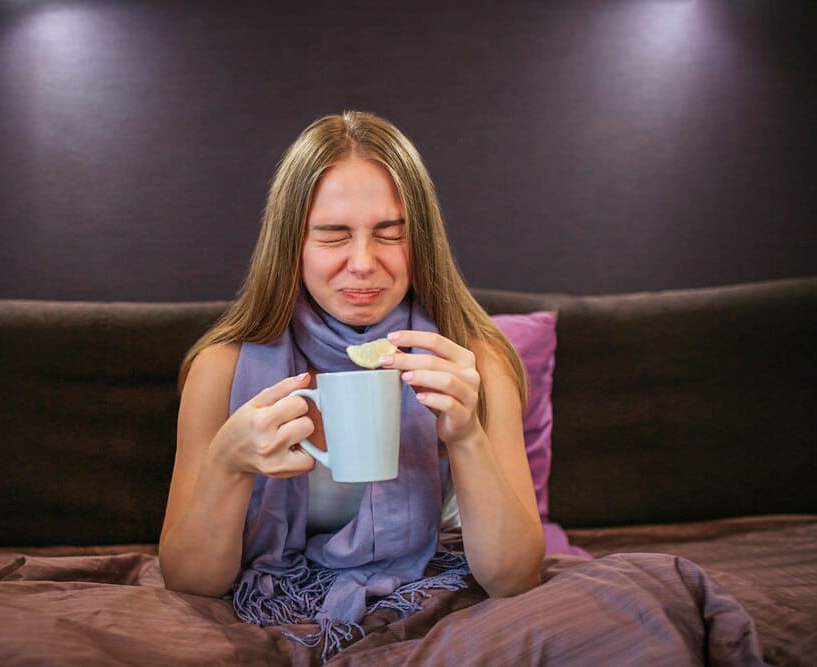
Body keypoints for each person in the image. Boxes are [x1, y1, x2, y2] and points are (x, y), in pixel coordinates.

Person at [159, 110, 544, 655]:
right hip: (284, 600)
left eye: (391, 234)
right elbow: (189, 582)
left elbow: (515, 577)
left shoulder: (475, 360)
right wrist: (228, 463)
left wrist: (467, 438)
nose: (363, 264)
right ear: (292, 243)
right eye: (334, 235)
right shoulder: (221, 370)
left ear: (423, 242)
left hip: (425, 597)